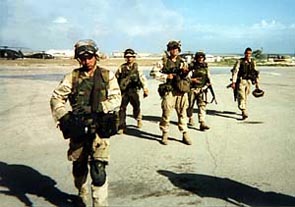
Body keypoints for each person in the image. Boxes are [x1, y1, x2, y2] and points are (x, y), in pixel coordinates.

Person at [50, 39, 121, 207]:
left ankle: (99, 204)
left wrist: (99, 107)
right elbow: (56, 97)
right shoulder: (72, 77)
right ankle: (81, 190)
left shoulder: (106, 75)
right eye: (82, 58)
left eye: (89, 57)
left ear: (95, 56)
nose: (86, 61)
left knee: (98, 171)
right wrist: (63, 116)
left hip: (100, 129)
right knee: (79, 168)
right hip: (78, 128)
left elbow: (117, 98)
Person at [158, 40, 192, 145]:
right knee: (166, 113)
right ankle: (165, 133)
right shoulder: (163, 61)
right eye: (173, 49)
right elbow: (154, 73)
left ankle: (184, 133)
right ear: (169, 50)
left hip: (181, 90)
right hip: (169, 91)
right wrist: (166, 77)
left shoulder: (182, 61)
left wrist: (185, 73)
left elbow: (189, 76)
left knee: (183, 113)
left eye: (177, 49)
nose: (175, 51)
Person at [115, 48, 149, 134]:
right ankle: (122, 126)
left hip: (134, 90)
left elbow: (142, 78)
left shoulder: (137, 68)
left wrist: (145, 89)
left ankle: (138, 118)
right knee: (122, 109)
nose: (129, 58)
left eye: (131, 57)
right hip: (124, 91)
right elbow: (116, 79)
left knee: (136, 107)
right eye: (127, 57)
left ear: (134, 57)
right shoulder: (121, 68)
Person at [231, 47, 260, 120]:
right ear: (244, 54)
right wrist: (233, 82)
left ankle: (243, 107)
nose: (248, 55)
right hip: (241, 81)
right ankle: (243, 111)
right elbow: (235, 71)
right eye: (247, 53)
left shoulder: (253, 62)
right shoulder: (240, 61)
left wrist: (257, 83)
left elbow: (256, 72)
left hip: (249, 81)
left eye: (249, 53)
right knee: (242, 96)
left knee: (245, 96)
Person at [187, 51, 211, 131]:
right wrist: (192, 80)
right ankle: (190, 117)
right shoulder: (191, 67)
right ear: (196, 58)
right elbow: (186, 77)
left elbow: (208, 77)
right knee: (190, 105)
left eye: (202, 58)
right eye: (199, 58)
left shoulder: (205, 67)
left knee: (202, 106)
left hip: (202, 89)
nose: (201, 59)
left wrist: (208, 84)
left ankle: (202, 122)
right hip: (192, 89)